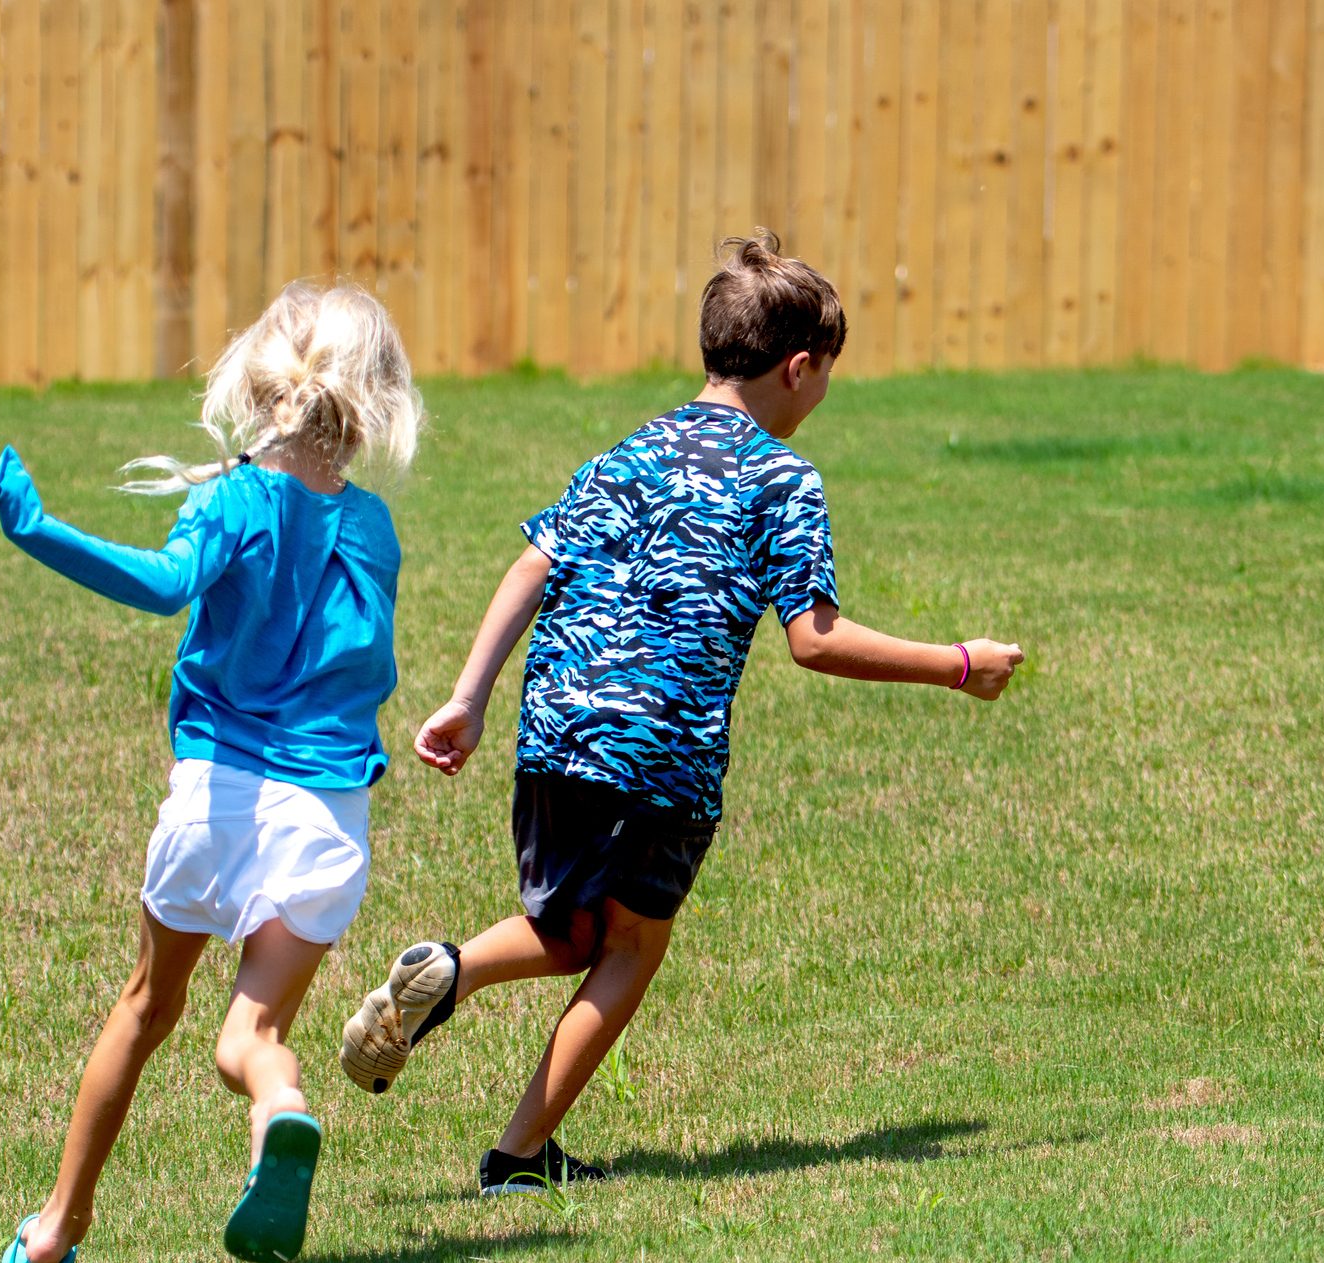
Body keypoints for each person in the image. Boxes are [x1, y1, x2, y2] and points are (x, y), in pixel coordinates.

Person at [339, 231, 1023, 1195]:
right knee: (628, 947)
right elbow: (816, 639)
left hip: (554, 732)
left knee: (573, 930)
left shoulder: (630, 446)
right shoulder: (784, 479)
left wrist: (467, 696)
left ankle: (449, 974)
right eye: (826, 375)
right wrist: (958, 664)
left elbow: (536, 561)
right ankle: (517, 1158)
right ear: (797, 367)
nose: (822, 394)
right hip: (661, 753)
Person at [0, 281, 420, 1263]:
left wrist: (35, 527)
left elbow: (163, 583)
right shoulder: (376, 531)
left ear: (263, 383)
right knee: (250, 1034)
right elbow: (362, 664)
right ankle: (280, 1110)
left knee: (146, 1004)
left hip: (216, 796)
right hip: (326, 817)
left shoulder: (229, 500)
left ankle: (52, 1230)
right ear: (370, 403)